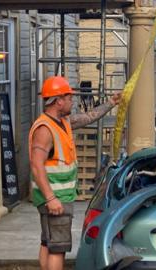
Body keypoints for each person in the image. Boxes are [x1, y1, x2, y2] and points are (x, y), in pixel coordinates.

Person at [29, 76, 121, 270]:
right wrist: (50, 198)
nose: (73, 101)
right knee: (58, 248)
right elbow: (36, 165)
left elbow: (89, 117)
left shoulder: (63, 122)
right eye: (69, 97)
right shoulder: (45, 129)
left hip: (56, 197)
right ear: (58, 100)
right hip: (55, 198)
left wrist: (111, 103)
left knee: (48, 243)